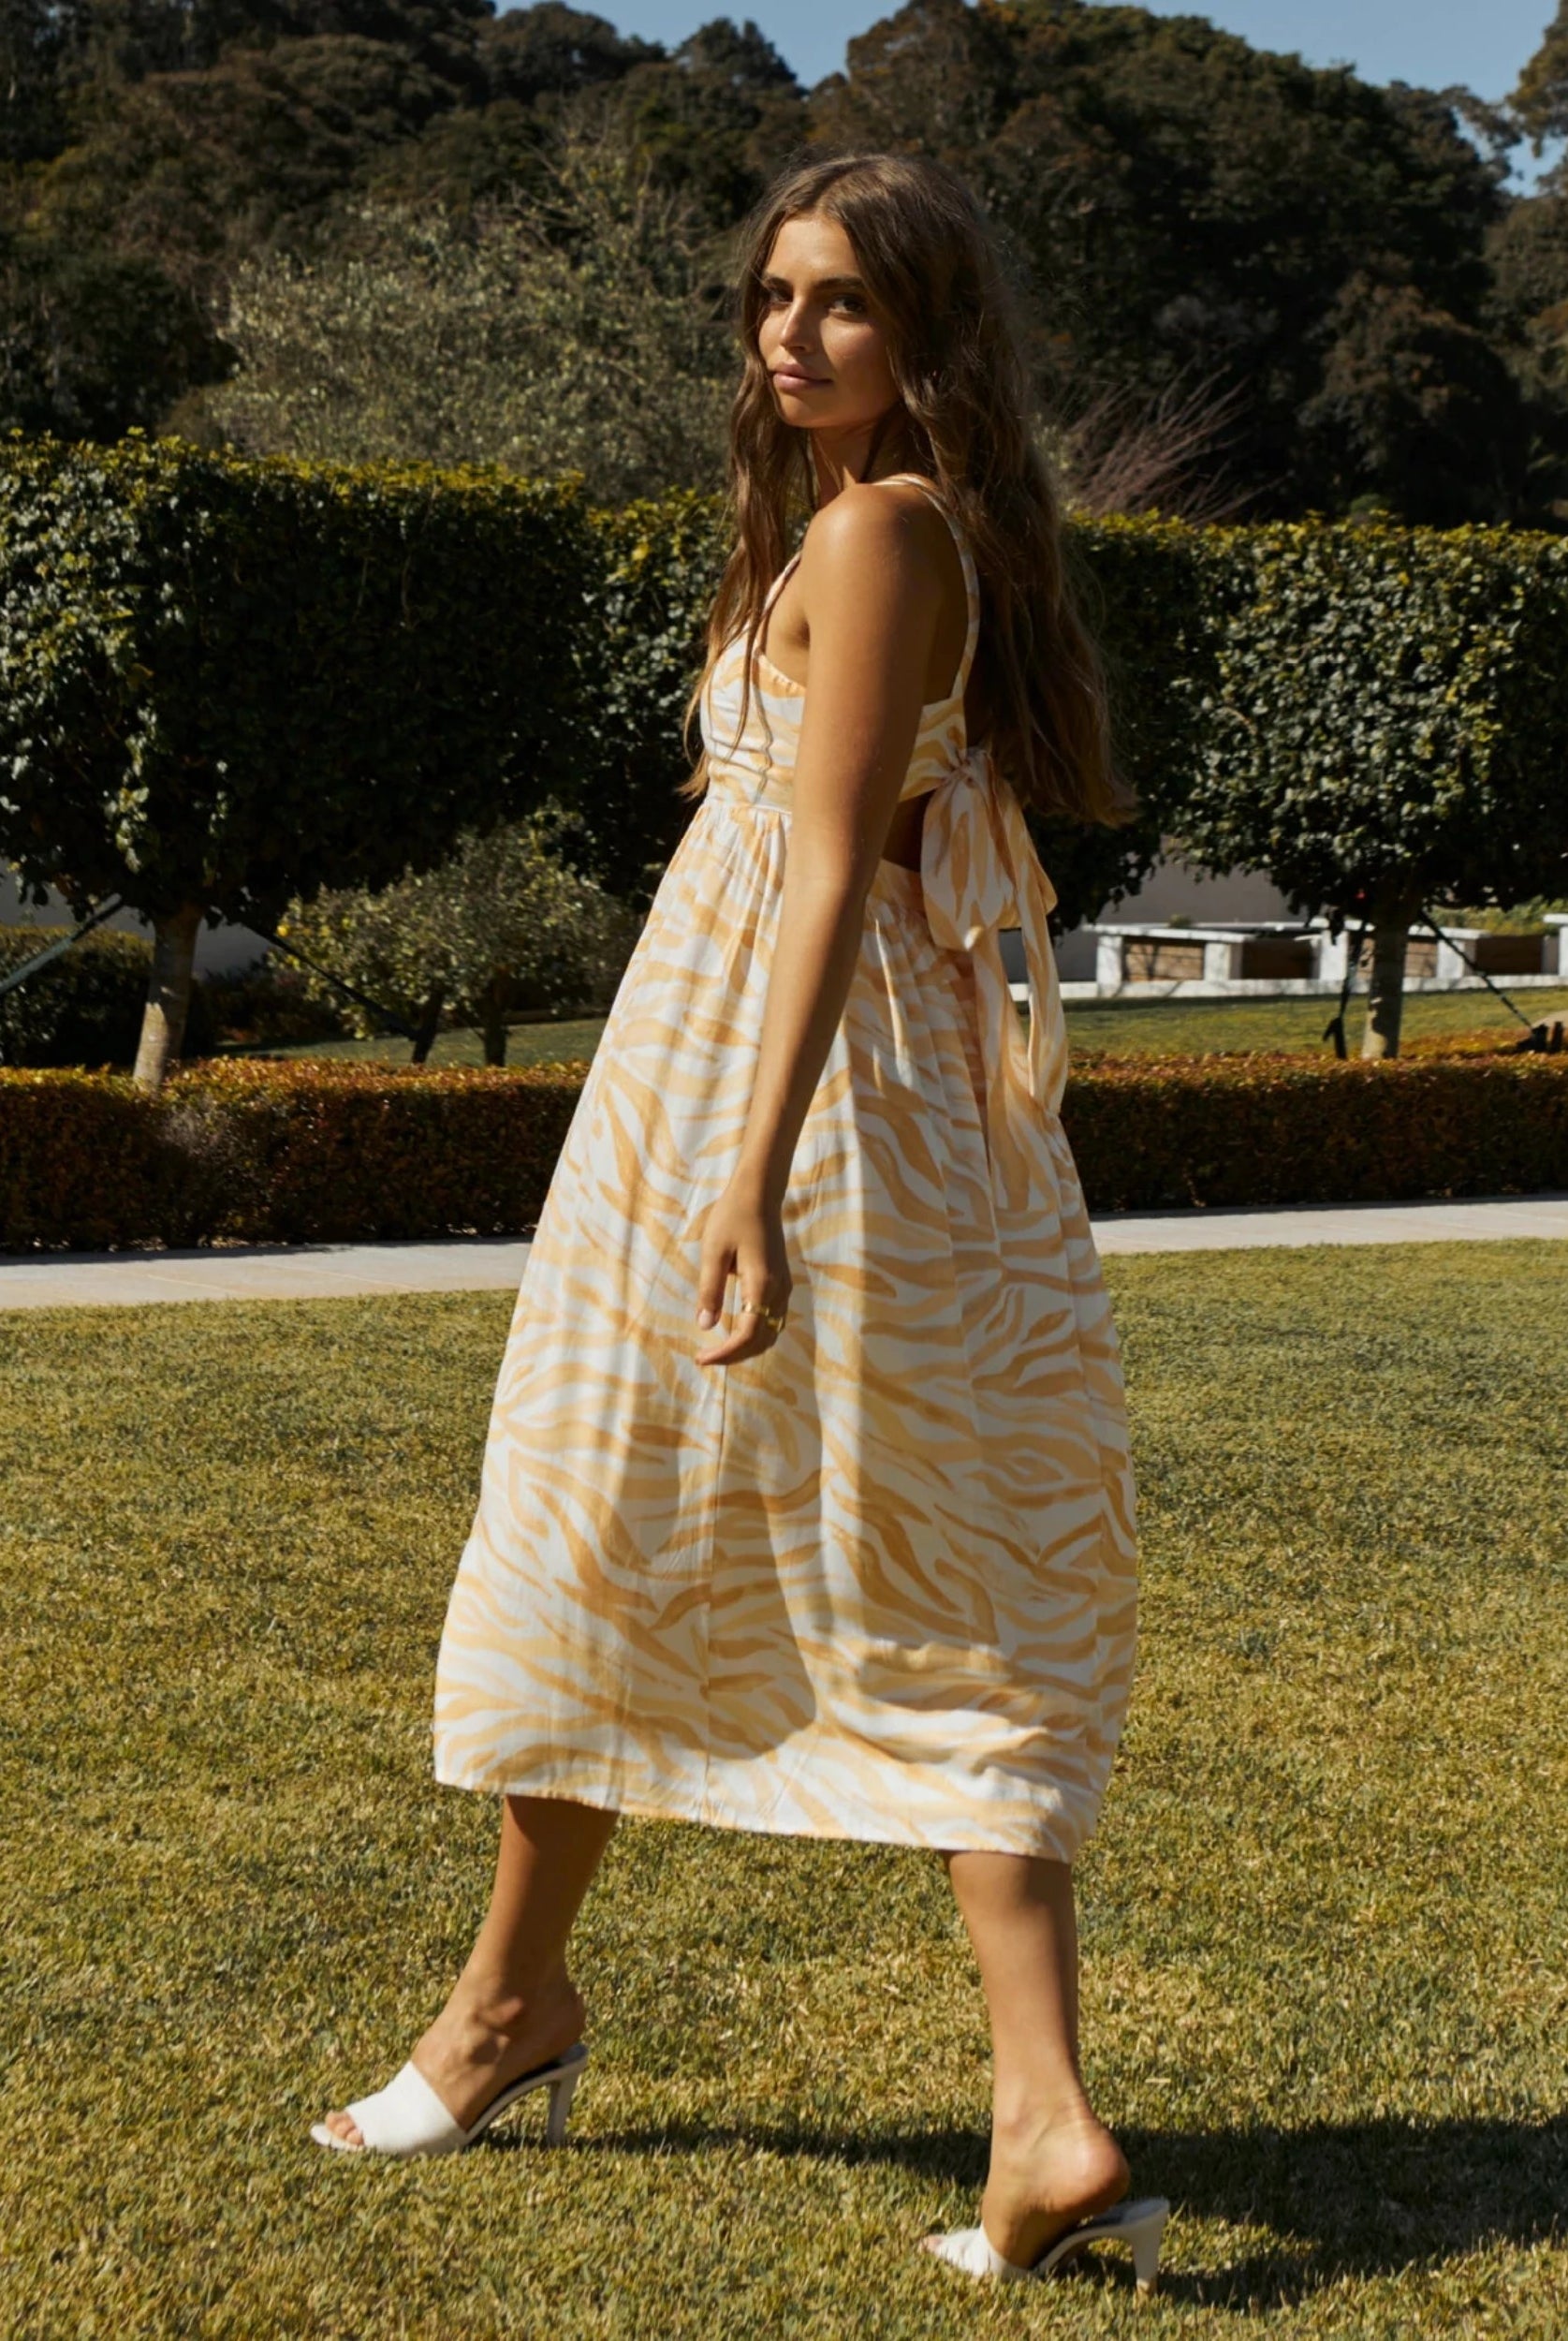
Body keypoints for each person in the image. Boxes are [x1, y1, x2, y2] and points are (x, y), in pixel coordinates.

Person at [312, 149, 1165, 2293]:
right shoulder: (874, 522)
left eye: (841, 303)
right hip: (852, 1101)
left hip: (780, 1102)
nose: (789, 333)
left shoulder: (878, 536)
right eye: (772, 296)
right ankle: (992, 2104)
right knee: (860, 1553)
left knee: (635, 1514)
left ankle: (546, 2013)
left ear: (927, 335)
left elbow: (816, 880)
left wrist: (750, 1177)